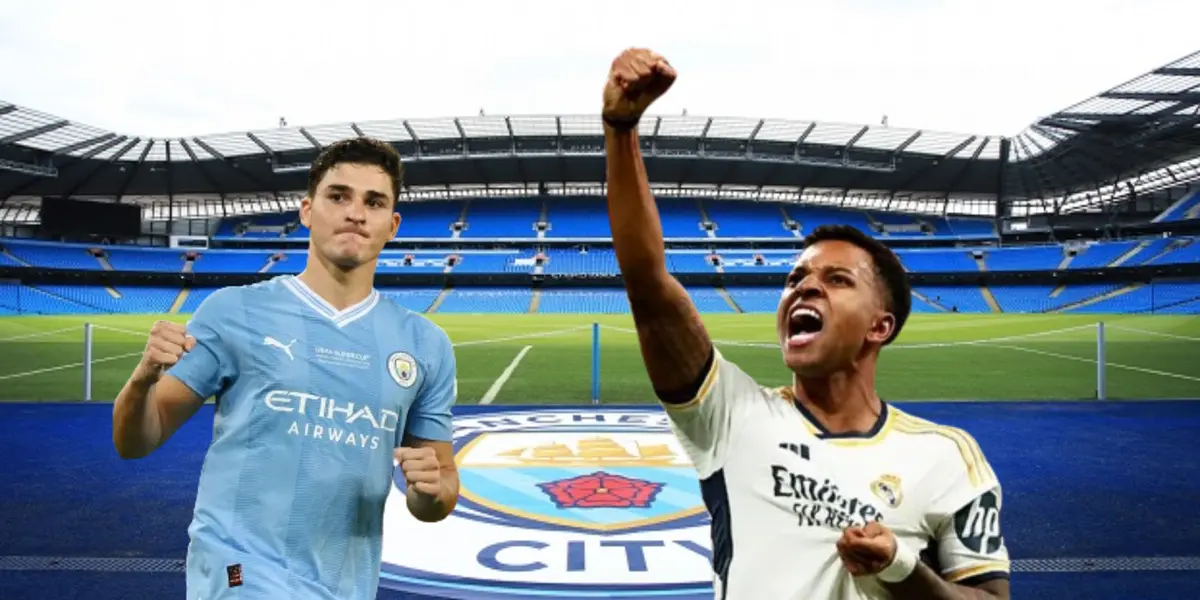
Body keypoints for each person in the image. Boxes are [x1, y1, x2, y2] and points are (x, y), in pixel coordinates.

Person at [601, 48, 1010, 600]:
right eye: (796, 278)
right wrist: (620, 128)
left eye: (838, 279)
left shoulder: (947, 456)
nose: (805, 286)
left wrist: (900, 568)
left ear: (879, 327)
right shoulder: (730, 418)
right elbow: (649, 286)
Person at [112, 137, 460, 600]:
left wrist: (429, 493)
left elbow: (441, 487)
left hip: (346, 583)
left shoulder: (424, 344)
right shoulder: (233, 311)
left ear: (391, 224)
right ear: (307, 210)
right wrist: (142, 381)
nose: (355, 212)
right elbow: (137, 440)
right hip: (238, 572)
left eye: (373, 202)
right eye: (338, 196)